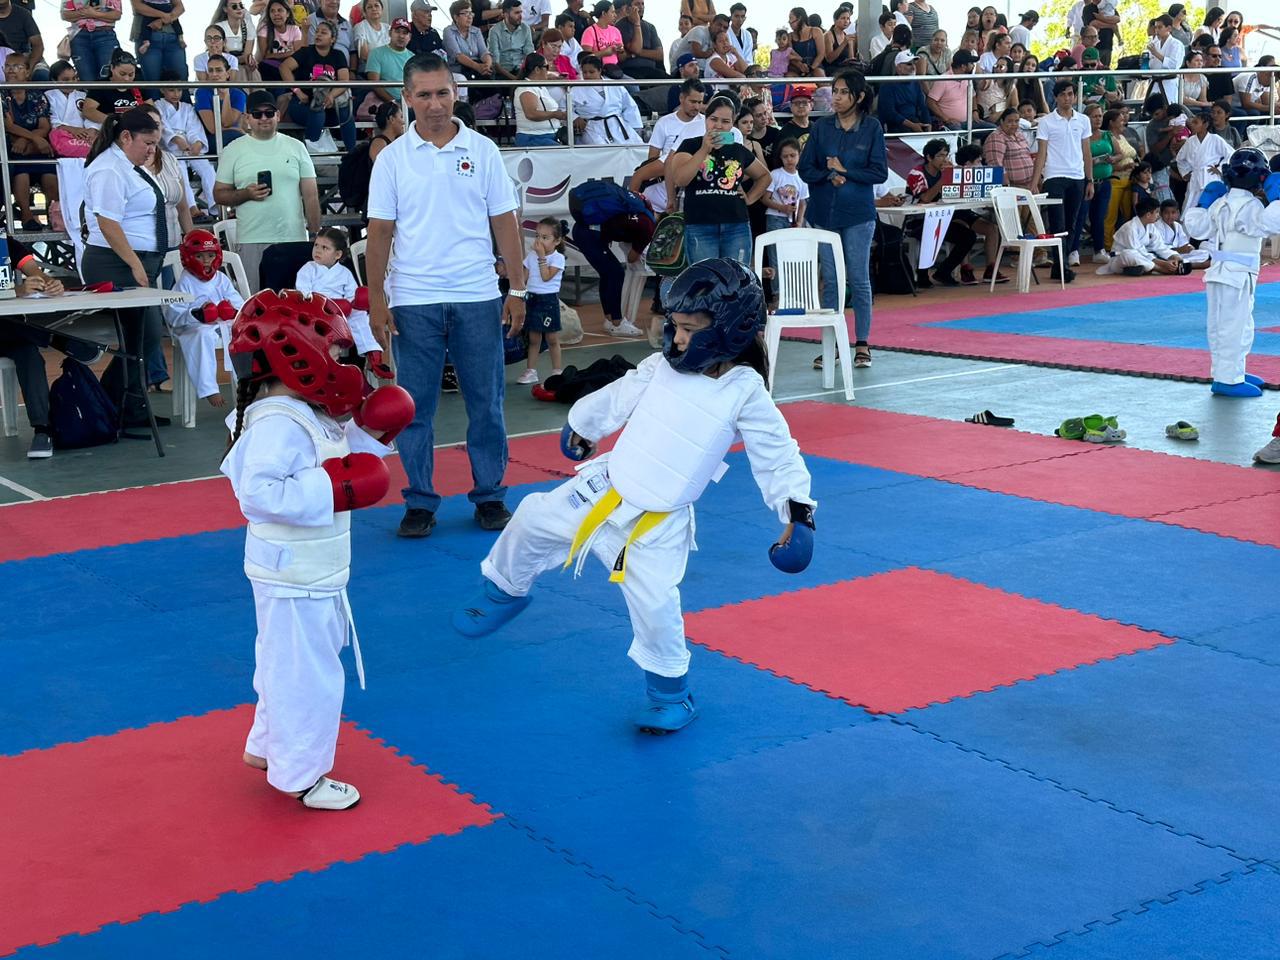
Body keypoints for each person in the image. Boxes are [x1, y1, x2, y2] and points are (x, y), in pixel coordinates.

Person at [452, 259, 815, 735]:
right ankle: (503, 591)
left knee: (656, 605)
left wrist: (797, 513)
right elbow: (619, 396)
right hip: (605, 488)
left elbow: (776, 452)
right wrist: (582, 424)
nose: (677, 339)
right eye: (674, 326)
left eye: (689, 329)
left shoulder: (743, 390)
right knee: (532, 518)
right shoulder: (661, 364)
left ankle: (670, 695)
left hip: (656, 525)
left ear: (728, 330)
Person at [221, 289, 413, 810]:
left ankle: (267, 747)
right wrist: (331, 488)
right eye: (339, 354)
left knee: (284, 664)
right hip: (294, 573)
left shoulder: (300, 409)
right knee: (308, 675)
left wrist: (374, 434)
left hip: (307, 570)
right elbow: (258, 493)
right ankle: (301, 775)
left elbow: (338, 454)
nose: (346, 365)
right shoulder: (278, 419)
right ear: (302, 355)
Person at [365, 52, 527, 538]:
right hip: (414, 299)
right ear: (407, 98)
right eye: (424, 95)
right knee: (413, 409)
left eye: (442, 92)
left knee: (488, 404)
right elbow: (379, 235)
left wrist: (517, 288)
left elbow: (505, 223)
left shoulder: (482, 151)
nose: (434, 104)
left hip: (478, 295)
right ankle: (419, 501)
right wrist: (377, 300)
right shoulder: (391, 160)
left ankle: (490, 496)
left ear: (455, 92)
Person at [81, 109, 170, 433]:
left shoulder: (127, 166)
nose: (151, 150)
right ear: (126, 137)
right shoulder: (109, 169)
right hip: (114, 261)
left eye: (155, 144)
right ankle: (111, 404)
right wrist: (133, 262)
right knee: (140, 336)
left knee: (141, 338)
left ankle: (127, 405)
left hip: (131, 259)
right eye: (147, 143)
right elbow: (107, 221)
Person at [798, 68, 885, 368]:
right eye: (834, 91)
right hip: (824, 213)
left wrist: (847, 172)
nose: (835, 97)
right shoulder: (821, 128)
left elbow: (879, 172)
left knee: (859, 279)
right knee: (831, 281)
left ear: (859, 96)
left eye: (843, 92)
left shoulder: (871, 127)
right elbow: (805, 169)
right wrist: (828, 175)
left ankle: (862, 343)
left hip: (858, 214)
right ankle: (832, 344)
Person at [1184, 150, 1280, 397]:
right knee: (1234, 326)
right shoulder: (1250, 206)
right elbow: (1273, 222)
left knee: (1222, 325)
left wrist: (1203, 202)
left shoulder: (1220, 202)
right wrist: (1277, 195)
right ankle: (1228, 379)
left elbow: (1195, 227)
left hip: (1218, 273)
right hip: (1238, 274)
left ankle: (1229, 371)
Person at [213, 89, 320, 292]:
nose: (264, 118)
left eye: (269, 113)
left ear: (278, 115)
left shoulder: (296, 147)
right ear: (247, 118)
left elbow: (311, 195)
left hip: (294, 239)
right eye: (257, 113)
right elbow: (219, 194)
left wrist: (315, 234)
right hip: (252, 239)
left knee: (297, 307)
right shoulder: (233, 150)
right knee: (257, 305)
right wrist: (247, 193)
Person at [667, 93, 770, 265]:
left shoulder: (737, 149)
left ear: (732, 124)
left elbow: (765, 176)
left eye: (725, 121)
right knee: (705, 282)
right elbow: (680, 179)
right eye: (714, 119)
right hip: (700, 224)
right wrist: (703, 150)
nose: (719, 126)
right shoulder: (689, 145)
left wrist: (750, 198)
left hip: (736, 224)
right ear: (706, 120)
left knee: (736, 280)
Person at [0, 237, 68, 458]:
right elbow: (19, 289)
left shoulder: (6, 243)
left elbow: (34, 271)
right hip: (10, 329)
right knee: (24, 335)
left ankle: (42, 430)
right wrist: (17, 291)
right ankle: (59, 340)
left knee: (30, 354)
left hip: (9, 330)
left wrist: (49, 283)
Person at [163, 229, 244, 407]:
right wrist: (197, 314)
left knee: (245, 333)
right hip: (192, 328)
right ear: (188, 258)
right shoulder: (184, 283)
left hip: (220, 325)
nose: (206, 261)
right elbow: (173, 315)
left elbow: (240, 304)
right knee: (203, 335)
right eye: (200, 256)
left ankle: (246, 383)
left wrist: (230, 310)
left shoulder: (221, 279)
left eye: (210, 255)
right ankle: (209, 389)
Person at [1031, 79, 1092, 281]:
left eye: (1071, 94)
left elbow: (1086, 152)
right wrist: (1034, 181)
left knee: (1072, 223)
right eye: (1063, 94)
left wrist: (1089, 179)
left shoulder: (1083, 120)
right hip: (1054, 176)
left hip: (1077, 176)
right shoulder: (1047, 121)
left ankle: (1061, 265)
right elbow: (1041, 153)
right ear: (1056, 97)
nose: (1068, 98)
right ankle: (1062, 265)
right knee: (1058, 222)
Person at [296, 226, 382, 365]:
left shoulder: (344, 273)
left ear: (337, 255)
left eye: (325, 248)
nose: (317, 250)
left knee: (360, 317)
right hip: (316, 310)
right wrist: (325, 304)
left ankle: (373, 353)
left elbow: (351, 295)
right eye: (316, 245)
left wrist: (354, 303)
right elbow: (303, 291)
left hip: (341, 311)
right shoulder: (308, 268)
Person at [904, 138, 978, 287]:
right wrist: (944, 179)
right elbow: (924, 198)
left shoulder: (946, 172)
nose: (944, 159)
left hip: (942, 219)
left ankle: (943, 271)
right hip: (918, 221)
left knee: (968, 236)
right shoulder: (916, 174)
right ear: (929, 157)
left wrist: (956, 177)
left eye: (946, 155)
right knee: (931, 231)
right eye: (940, 156)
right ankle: (922, 274)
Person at [282, 19, 358, 152]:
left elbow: (344, 81)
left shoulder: (338, 55)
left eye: (323, 33)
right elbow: (284, 68)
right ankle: (312, 154)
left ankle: (353, 155)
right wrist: (298, 91)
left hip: (331, 107)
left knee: (346, 113)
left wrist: (331, 96)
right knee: (318, 109)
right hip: (303, 104)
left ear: (332, 39)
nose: (318, 35)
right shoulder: (306, 52)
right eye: (317, 32)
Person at [3, 59, 57, 230]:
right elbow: (8, 125)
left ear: (27, 72)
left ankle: (55, 215)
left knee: (49, 173)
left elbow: (44, 126)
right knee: (21, 171)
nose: (12, 70)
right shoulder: (2, 94)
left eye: (18, 66)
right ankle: (27, 215)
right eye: (9, 66)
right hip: (13, 146)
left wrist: (28, 139)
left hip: (34, 145)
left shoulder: (36, 95)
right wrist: (32, 138)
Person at [515, 217, 566, 384]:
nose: (540, 241)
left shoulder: (558, 259)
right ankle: (531, 370)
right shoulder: (531, 256)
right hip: (532, 299)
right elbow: (524, 278)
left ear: (557, 241)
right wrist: (518, 295)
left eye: (545, 237)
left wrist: (541, 257)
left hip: (548, 300)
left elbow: (546, 277)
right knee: (533, 338)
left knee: (551, 338)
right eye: (538, 236)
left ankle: (557, 371)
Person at [1097, 198, 1183, 275]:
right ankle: (1160, 270)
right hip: (1119, 261)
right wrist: (1163, 264)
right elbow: (1137, 251)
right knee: (1129, 254)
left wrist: (1175, 257)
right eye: (1156, 212)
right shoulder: (1130, 228)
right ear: (1148, 214)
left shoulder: (1151, 226)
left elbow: (1159, 246)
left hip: (1142, 259)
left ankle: (1138, 269)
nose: (1158, 215)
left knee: (1153, 254)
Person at [571, 54, 642, 143]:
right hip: (591, 128)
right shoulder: (576, 89)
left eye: (591, 72)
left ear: (600, 70)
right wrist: (575, 117)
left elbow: (629, 106)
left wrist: (635, 127)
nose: (587, 75)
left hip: (617, 125)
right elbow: (564, 108)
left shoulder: (614, 85)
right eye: (585, 72)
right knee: (601, 149)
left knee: (636, 145)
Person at [1176, 108, 1232, 216]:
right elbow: (1180, 159)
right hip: (1195, 177)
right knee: (1190, 207)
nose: (1192, 124)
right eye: (1193, 122)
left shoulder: (1215, 139)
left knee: (1211, 208)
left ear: (1205, 125)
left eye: (1196, 122)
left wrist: (1219, 168)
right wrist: (1185, 173)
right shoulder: (1190, 141)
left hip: (1210, 176)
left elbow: (1230, 154)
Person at [132, 0, 189, 91]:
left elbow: (180, 7)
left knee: (181, 81)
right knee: (152, 84)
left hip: (173, 38)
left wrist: (162, 20)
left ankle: (184, 105)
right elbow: (137, 6)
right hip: (147, 36)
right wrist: (163, 15)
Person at [46, 60, 96, 159]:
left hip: (84, 135)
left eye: (74, 78)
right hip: (63, 136)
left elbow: (90, 116)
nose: (71, 82)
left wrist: (91, 129)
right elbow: (53, 120)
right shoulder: (49, 96)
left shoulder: (82, 95)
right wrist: (73, 130)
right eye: (66, 79)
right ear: (54, 80)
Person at [195, 54, 246, 148]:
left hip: (233, 138)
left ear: (228, 73)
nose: (214, 74)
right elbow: (213, 129)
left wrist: (226, 95)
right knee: (238, 138)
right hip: (209, 139)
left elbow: (227, 122)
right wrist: (236, 129)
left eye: (218, 70)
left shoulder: (239, 94)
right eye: (211, 70)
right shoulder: (202, 92)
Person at [81, 49, 144, 124]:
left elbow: (151, 110)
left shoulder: (139, 85)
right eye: (122, 74)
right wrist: (114, 123)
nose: (126, 79)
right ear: (112, 68)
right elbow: (88, 111)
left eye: (131, 75)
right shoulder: (101, 86)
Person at [514, 52, 565, 145]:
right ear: (537, 69)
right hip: (533, 138)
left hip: (547, 136)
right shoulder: (526, 88)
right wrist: (554, 114)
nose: (548, 71)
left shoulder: (539, 86)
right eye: (546, 67)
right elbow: (531, 114)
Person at [878, 50, 931, 133]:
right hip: (896, 127)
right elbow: (890, 114)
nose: (913, 67)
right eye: (909, 64)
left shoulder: (916, 83)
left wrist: (928, 124)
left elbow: (922, 107)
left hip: (915, 123)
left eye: (914, 64)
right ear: (898, 67)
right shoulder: (887, 85)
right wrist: (912, 126)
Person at [763, 137, 808, 233]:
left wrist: (800, 222)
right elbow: (765, 199)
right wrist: (782, 208)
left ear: (799, 155)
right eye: (785, 156)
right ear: (780, 157)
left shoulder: (803, 177)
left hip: (794, 221)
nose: (789, 159)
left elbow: (803, 203)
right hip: (775, 218)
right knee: (775, 248)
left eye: (792, 155)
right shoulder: (775, 174)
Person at [984, 106, 1035, 189]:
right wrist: (1007, 188)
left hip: (1030, 185)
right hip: (1013, 188)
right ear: (1001, 121)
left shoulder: (1019, 134)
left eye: (1016, 121)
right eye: (1010, 121)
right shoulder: (996, 137)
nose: (1014, 124)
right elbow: (996, 165)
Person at [366, 16, 415, 99]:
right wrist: (393, 103)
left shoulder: (413, 58)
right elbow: (374, 84)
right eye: (397, 31)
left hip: (411, 103)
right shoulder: (376, 53)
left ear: (409, 37)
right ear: (389, 33)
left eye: (405, 33)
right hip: (386, 104)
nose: (401, 36)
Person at [443, 0, 492, 80]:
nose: (470, 17)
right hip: (460, 70)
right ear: (456, 17)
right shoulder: (449, 31)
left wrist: (487, 66)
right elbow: (458, 55)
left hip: (478, 69)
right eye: (465, 13)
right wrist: (477, 67)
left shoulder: (476, 31)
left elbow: (484, 52)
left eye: (471, 13)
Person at [256, 0, 303, 81]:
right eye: (272, 11)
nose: (276, 14)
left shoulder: (294, 29)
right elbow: (265, 56)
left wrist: (276, 55)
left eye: (280, 10)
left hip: (290, 65)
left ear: (287, 13)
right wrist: (288, 53)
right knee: (265, 66)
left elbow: (298, 55)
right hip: (272, 67)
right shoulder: (264, 30)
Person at [616, 0, 664, 80]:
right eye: (637, 4)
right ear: (628, 8)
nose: (641, 7)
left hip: (651, 70)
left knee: (672, 84)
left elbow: (659, 55)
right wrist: (637, 23)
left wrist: (632, 54)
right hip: (630, 70)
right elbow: (636, 48)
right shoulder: (621, 25)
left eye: (642, 4)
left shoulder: (650, 27)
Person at [1154, 198, 1210, 266]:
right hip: (1166, 256)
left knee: (1203, 253)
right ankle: (1190, 265)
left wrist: (1190, 247)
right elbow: (1159, 249)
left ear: (1178, 213)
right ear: (1161, 213)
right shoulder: (1158, 226)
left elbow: (1184, 243)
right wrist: (1179, 250)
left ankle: (1185, 264)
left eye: (1173, 212)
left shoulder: (1178, 226)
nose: (1170, 216)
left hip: (1180, 254)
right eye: (1166, 213)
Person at [488, 0, 533, 81]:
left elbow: (529, 55)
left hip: (521, 71)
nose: (520, 16)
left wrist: (520, 75)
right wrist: (515, 79)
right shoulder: (494, 31)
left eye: (521, 12)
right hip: (502, 73)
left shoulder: (525, 28)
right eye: (516, 13)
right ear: (506, 14)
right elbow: (495, 63)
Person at [215, 0, 259, 81]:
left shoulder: (248, 25)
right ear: (225, 9)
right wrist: (240, 59)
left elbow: (247, 56)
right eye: (234, 6)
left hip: (242, 64)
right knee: (239, 71)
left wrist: (250, 61)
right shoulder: (219, 27)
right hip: (224, 66)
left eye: (241, 5)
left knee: (253, 71)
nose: (239, 8)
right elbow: (219, 55)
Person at [787, 6, 825, 77]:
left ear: (799, 18)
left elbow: (821, 54)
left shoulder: (816, 31)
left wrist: (811, 68)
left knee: (820, 76)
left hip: (815, 65)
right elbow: (789, 55)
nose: (789, 21)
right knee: (789, 77)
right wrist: (800, 65)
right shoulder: (789, 36)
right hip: (796, 67)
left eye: (791, 18)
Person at [353, 0, 389, 72]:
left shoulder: (388, 28)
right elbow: (364, 55)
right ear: (364, 13)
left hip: (389, 66)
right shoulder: (360, 27)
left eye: (376, 5)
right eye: (369, 7)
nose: (374, 9)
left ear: (382, 9)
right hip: (369, 68)